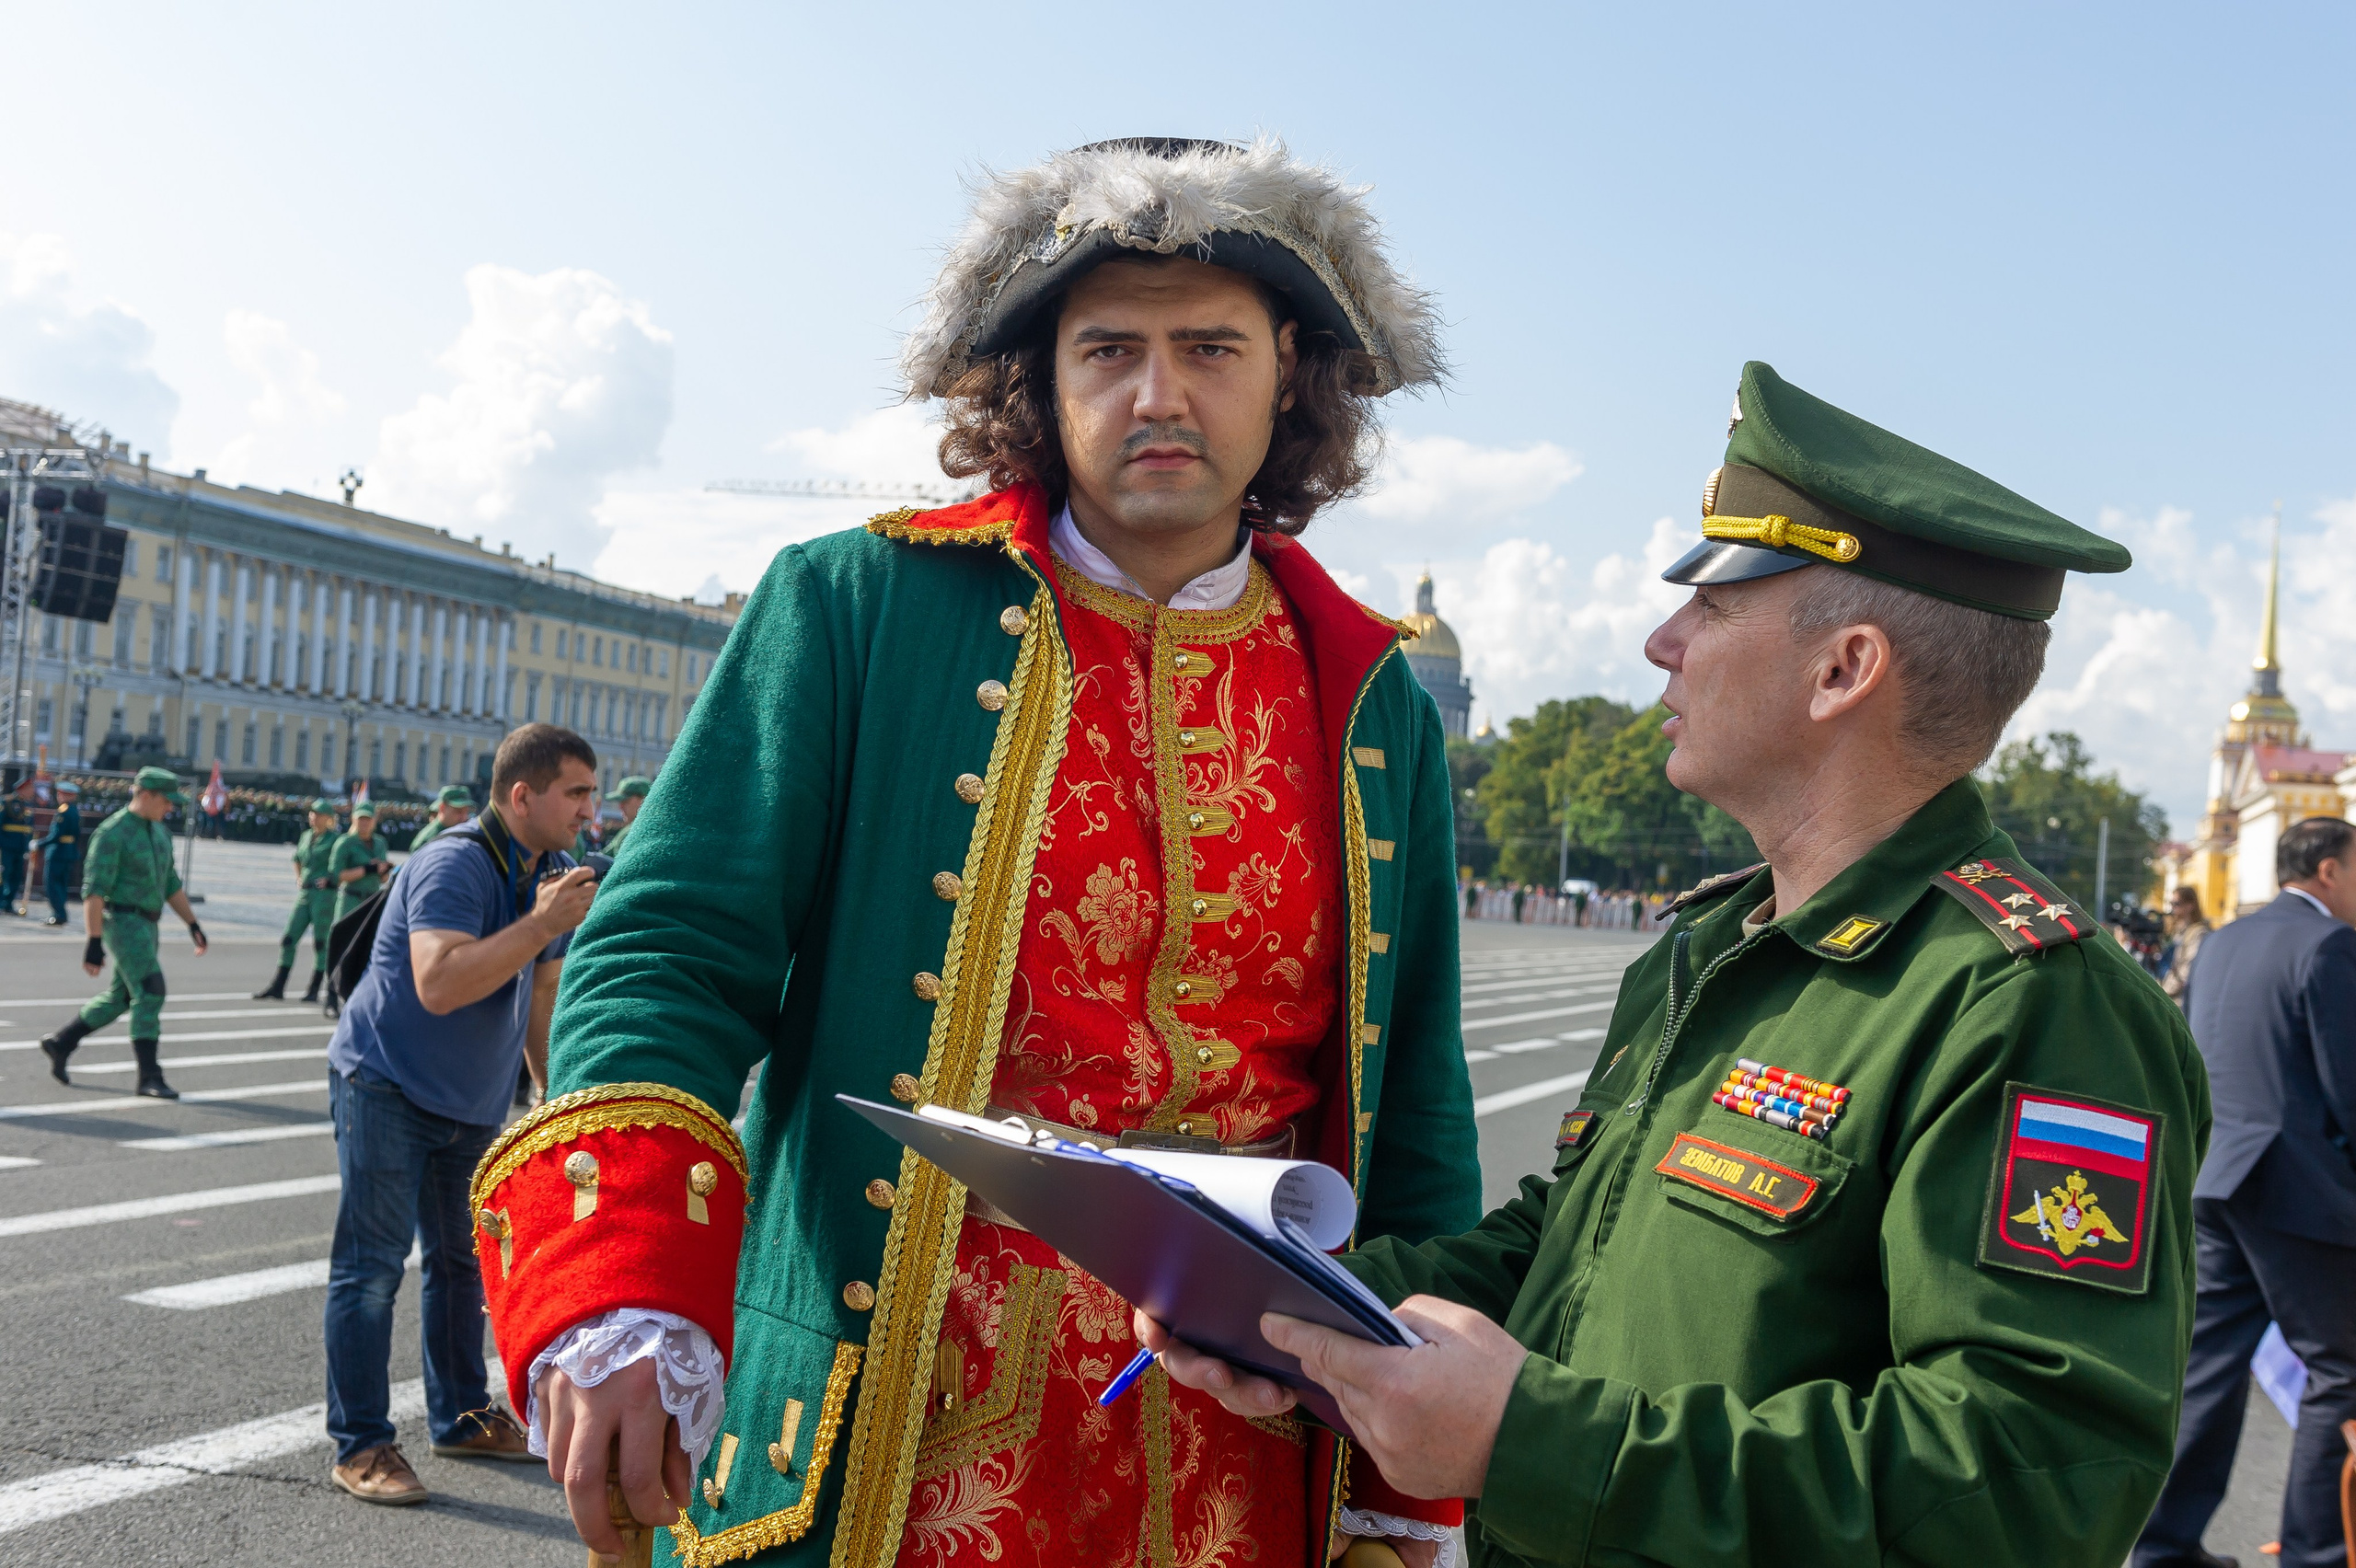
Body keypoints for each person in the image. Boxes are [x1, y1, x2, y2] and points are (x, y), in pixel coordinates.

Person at [470, 135, 1474, 1566]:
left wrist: (1403, 1486)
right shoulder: (854, 604)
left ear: (1291, 377)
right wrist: (623, 1283)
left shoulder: (1374, 697)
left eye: (1212, 348)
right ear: (1041, 386)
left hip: (1244, 1461)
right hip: (899, 1433)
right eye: (1108, 349)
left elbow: (1412, 1104)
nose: (1160, 393)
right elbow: (670, 948)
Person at [1149, 362, 2212, 1568]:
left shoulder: (2031, 1006)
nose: (1663, 642)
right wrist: (1286, 1303)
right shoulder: (1714, 948)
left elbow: (2029, 1482)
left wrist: (1533, 1445)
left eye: (1711, 605)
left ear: (1841, 671)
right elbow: (1564, 1252)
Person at [321, 723, 599, 1506]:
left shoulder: (550, 870)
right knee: (371, 1272)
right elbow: (439, 982)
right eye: (576, 791)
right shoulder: (453, 862)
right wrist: (543, 922)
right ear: (523, 795)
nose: (591, 808)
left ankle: (462, 1416)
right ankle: (362, 1445)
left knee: (462, 1266)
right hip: (386, 1086)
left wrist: (553, 1094)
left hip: (470, 1104)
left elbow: (541, 992)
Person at [2133, 816, 2356, 1568]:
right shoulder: (2331, 945)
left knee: (2207, 1372)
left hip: (2215, 1174)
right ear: (2328, 871)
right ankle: (2316, 1554)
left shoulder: (2226, 940)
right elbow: (2349, 1091)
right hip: (2296, 1191)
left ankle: (2161, 1548)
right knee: (2344, 1373)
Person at [37, 767, 209, 1100]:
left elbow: (171, 884)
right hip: (123, 922)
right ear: (145, 795)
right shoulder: (112, 832)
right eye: (166, 801)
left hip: (149, 924)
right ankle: (149, 1076)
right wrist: (94, 941)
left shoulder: (159, 833)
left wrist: (193, 924)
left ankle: (62, 1042)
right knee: (150, 990)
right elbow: (95, 892)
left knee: (123, 997)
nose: (170, 808)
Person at [256, 799, 343, 1002]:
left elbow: (341, 865)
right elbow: (297, 858)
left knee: (321, 944)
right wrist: (298, 877)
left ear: (328, 818)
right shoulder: (306, 836)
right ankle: (277, 986)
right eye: (312, 814)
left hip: (324, 897)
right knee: (288, 938)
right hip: (305, 894)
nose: (314, 817)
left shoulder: (335, 840)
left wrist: (332, 879)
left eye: (319, 814)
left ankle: (313, 989)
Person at [330, 803, 391, 925]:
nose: (364, 823)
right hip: (350, 900)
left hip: (372, 900)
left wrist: (384, 869)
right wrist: (367, 869)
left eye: (368, 819)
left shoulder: (380, 843)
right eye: (361, 819)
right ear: (353, 819)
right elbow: (337, 875)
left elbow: (384, 879)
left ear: (374, 820)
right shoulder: (345, 842)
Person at [37, 780, 83, 926]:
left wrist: (38, 844)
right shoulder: (74, 811)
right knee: (61, 885)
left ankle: (58, 914)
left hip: (57, 852)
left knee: (53, 885)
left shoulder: (63, 811)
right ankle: (61, 913)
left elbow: (55, 836)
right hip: (68, 852)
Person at [2161, 883, 2210, 1011]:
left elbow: (2187, 971)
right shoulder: (2176, 931)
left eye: (2176, 904)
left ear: (2190, 906)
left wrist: (2164, 991)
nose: (2172, 908)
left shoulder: (2199, 933)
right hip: (2171, 998)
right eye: (2171, 903)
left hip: (2182, 1001)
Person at [409, 784, 474, 852]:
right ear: (442, 808)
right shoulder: (429, 839)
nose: (464, 817)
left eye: (466, 811)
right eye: (458, 811)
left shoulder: (462, 831)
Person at [599, 775, 649, 854]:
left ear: (643, 799)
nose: (621, 806)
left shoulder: (633, 832)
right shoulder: (628, 831)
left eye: (625, 801)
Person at [0, 782, 29, 914]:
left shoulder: (28, 804)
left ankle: (8, 904)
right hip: (6, 846)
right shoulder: (7, 802)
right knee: (3, 875)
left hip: (20, 847)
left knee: (15, 876)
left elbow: (28, 828)